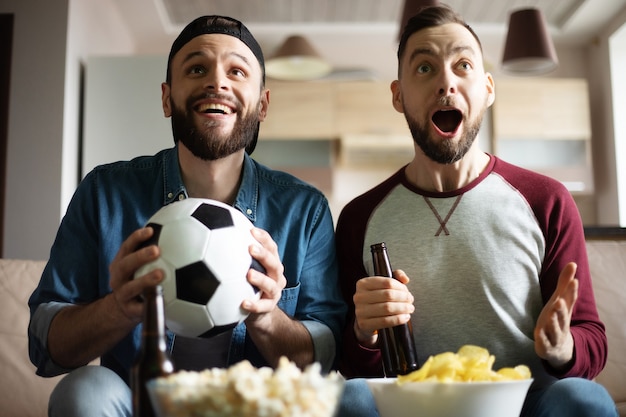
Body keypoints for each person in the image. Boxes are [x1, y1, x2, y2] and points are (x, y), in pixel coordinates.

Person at [28, 15, 346, 417]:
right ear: (167, 98)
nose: (217, 82)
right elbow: (44, 346)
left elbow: (325, 359)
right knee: (84, 389)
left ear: (262, 104)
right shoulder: (105, 193)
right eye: (197, 68)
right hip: (140, 401)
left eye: (237, 71)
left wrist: (267, 318)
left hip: (254, 406)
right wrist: (118, 309)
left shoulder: (305, 210)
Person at [336, 5, 617, 417]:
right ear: (398, 96)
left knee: (583, 398)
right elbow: (350, 363)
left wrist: (563, 347)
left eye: (462, 65)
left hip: (525, 406)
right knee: (347, 397)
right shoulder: (360, 217)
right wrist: (364, 333)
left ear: (487, 88)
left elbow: (592, 339)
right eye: (425, 68)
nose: (446, 82)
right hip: (413, 408)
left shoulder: (547, 199)